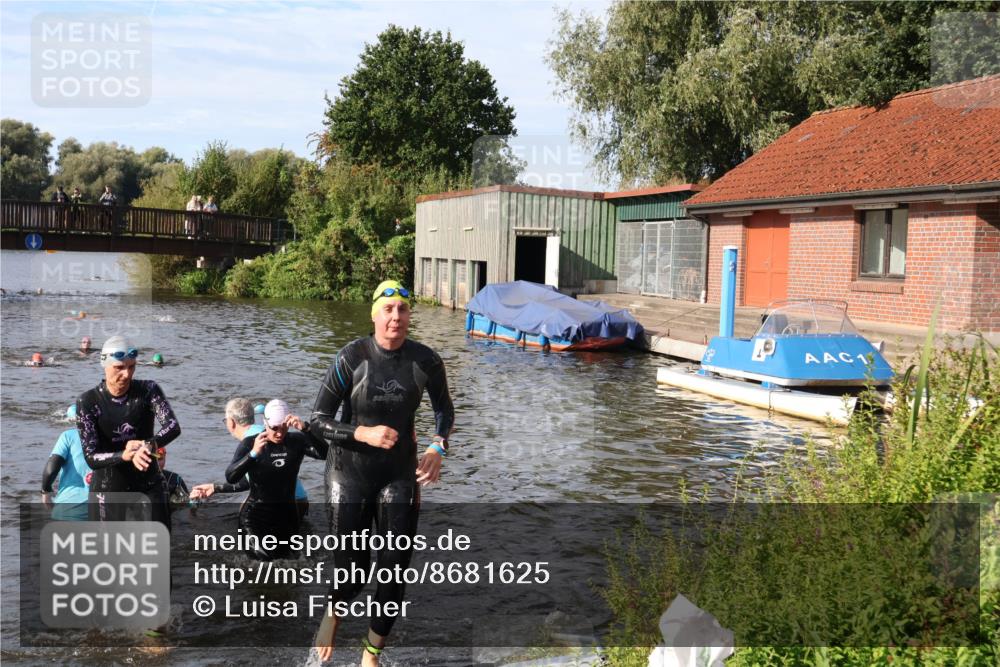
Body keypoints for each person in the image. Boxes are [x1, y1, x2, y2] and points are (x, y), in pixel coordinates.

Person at [309, 280, 455, 665]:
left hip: (398, 474)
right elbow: (317, 420)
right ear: (374, 314)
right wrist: (362, 432)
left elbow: (444, 410)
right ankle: (333, 613)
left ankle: (370, 654)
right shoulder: (350, 358)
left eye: (402, 310)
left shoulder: (426, 361)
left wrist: (438, 445)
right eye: (388, 310)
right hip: (348, 473)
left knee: (393, 570)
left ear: (409, 315)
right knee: (353, 572)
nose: (396, 317)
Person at [76, 336, 181, 529]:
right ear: (104, 364)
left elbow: (173, 426)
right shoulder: (88, 402)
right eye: (119, 368)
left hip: (148, 484)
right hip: (108, 488)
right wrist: (124, 454)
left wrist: (148, 445)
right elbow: (91, 456)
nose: (126, 374)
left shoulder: (148, 390)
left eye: (131, 366)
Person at [224, 399, 325, 561]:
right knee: (263, 564)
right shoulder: (251, 443)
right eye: (274, 428)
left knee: (291, 564)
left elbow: (325, 454)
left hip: (287, 516)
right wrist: (253, 454)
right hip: (255, 518)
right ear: (265, 423)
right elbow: (231, 477)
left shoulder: (296, 441)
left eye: (284, 427)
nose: (279, 433)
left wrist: (306, 429)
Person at [190, 398, 311, 519]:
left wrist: (216, 488)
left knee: (243, 510)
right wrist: (214, 488)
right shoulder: (267, 430)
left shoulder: (254, 441)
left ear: (231, 422)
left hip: (285, 505)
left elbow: (247, 483)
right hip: (300, 501)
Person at [41, 405, 93, 521]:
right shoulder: (112, 438)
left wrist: (46, 493)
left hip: (66, 509)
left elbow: (51, 469)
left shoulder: (68, 436)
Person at [156, 446, 190, 514]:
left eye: (160, 459)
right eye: (152, 459)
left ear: (165, 458)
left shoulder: (174, 479)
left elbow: (188, 502)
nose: (156, 464)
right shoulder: (134, 479)